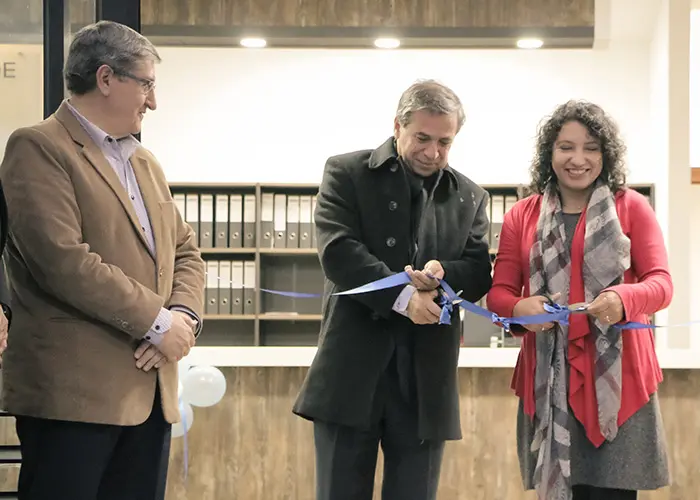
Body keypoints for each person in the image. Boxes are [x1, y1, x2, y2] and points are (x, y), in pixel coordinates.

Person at [0, 21, 205, 500]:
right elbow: (62, 260)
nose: (152, 101)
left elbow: (186, 252)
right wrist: (156, 322)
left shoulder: (145, 162)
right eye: (147, 84)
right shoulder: (37, 146)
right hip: (74, 400)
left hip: (150, 396)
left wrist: (183, 317)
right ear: (107, 78)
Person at [292, 79, 493, 500]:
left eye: (444, 142)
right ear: (397, 126)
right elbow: (338, 252)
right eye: (422, 138)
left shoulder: (470, 196)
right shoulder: (346, 172)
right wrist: (403, 299)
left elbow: (477, 272)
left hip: (425, 382)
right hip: (351, 374)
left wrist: (443, 274)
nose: (432, 152)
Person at [486, 100, 672, 500]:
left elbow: (661, 284)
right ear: (548, 153)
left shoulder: (633, 207)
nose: (578, 159)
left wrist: (624, 297)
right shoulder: (521, 215)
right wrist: (521, 309)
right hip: (548, 384)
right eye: (565, 147)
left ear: (605, 155)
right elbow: (498, 295)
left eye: (591, 147)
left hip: (619, 386)